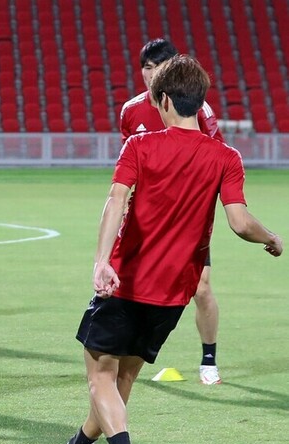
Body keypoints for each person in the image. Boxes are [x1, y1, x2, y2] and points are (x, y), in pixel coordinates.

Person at [57, 55, 282, 444]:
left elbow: (116, 200)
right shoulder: (226, 156)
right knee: (124, 375)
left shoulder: (140, 146)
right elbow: (239, 223)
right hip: (175, 292)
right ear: (200, 101)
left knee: (100, 375)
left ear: (162, 101)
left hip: (126, 281)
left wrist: (102, 261)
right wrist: (270, 237)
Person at [119, 38, 224, 385]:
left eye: (159, 67)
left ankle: (208, 359)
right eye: (147, 67)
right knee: (132, 288)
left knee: (201, 287)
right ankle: (129, 358)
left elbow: (216, 160)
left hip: (188, 218)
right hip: (145, 220)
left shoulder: (199, 110)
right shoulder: (131, 111)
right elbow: (126, 167)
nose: (152, 74)